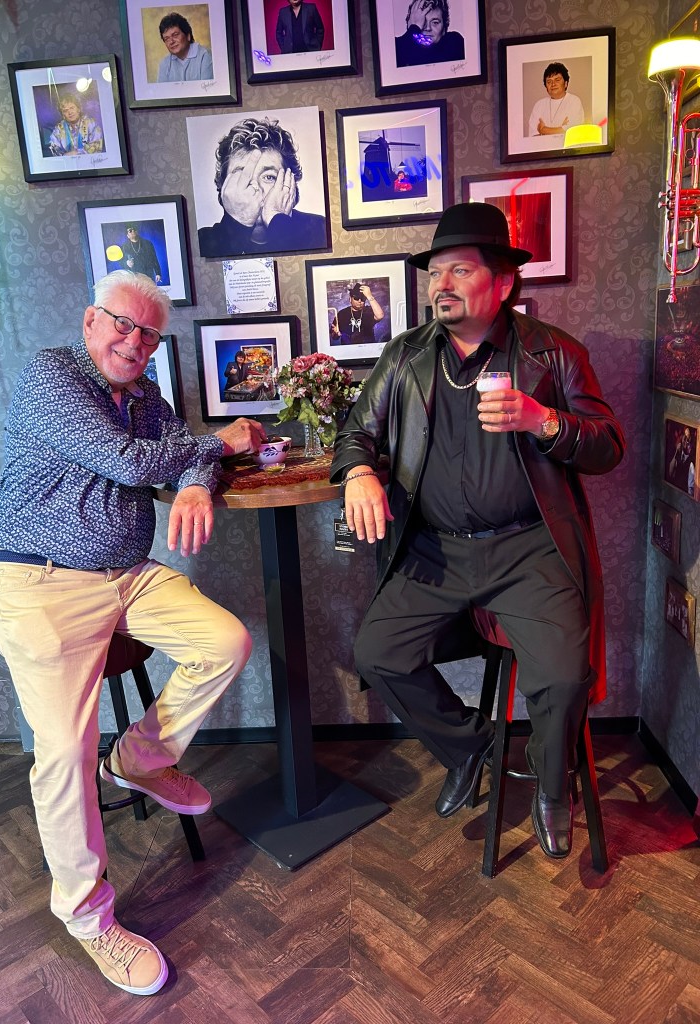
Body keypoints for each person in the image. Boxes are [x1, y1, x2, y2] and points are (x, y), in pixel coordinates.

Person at [0, 270, 268, 995]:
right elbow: (127, 460)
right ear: (90, 321)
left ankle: (138, 758)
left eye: (149, 334)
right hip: (39, 579)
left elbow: (187, 453)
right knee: (63, 754)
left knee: (225, 642)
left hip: (126, 576)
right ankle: (89, 919)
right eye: (122, 324)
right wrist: (216, 444)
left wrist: (198, 477)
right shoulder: (52, 375)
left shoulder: (145, 395)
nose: (134, 342)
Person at [330, 203, 625, 861]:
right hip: (435, 550)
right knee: (378, 654)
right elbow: (356, 433)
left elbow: (609, 446)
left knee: (564, 675)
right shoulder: (406, 355)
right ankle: (471, 747)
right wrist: (358, 473)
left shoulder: (553, 352)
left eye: (459, 270)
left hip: (530, 550)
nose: (441, 284)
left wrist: (544, 420)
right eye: (435, 272)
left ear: (504, 282)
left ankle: (552, 786)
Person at [198, 117, 327, 258]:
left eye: (269, 177)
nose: (255, 188)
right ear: (223, 187)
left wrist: (278, 221)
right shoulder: (202, 243)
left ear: (290, 184)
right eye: (242, 177)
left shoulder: (320, 230)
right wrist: (238, 223)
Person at [395, 0, 465, 67]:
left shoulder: (454, 42)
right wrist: (414, 27)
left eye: (435, 22)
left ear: (444, 28)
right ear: (410, 24)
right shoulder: (397, 45)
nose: (428, 28)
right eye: (422, 22)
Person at [527, 62, 585, 137]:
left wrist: (543, 130)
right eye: (549, 81)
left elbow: (573, 132)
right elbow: (533, 137)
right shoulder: (539, 105)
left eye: (557, 80)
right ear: (546, 86)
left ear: (566, 83)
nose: (553, 84)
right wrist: (561, 129)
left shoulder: (574, 101)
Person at [157, 12, 213, 82]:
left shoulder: (205, 56)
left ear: (188, 36)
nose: (171, 41)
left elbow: (208, 88)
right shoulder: (164, 64)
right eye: (167, 39)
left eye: (175, 35)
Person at [48, 91, 103, 156]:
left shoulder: (91, 124)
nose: (70, 112)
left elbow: (96, 147)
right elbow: (54, 149)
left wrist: (76, 153)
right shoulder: (59, 129)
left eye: (72, 108)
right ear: (63, 115)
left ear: (78, 109)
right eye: (65, 110)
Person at [668, 424, 696, 496]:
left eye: (688, 437)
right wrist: (676, 452)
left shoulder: (693, 460)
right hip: (674, 490)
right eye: (685, 436)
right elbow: (670, 472)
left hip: (684, 493)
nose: (686, 440)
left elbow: (691, 486)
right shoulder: (677, 453)